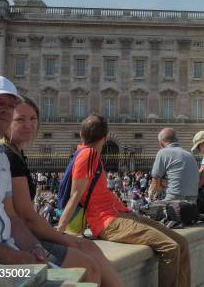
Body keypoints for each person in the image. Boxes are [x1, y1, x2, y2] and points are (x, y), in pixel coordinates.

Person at [0, 96, 123, 286]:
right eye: (20, 119)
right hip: (17, 240)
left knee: (88, 248)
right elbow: (26, 217)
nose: (28, 125)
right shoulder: (10, 156)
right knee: (88, 266)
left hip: (21, 235)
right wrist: (63, 237)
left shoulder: (14, 153)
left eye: (33, 119)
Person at [57, 114, 190, 287]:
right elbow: (76, 195)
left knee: (182, 242)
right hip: (107, 221)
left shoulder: (89, 154)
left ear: (82, 135)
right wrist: (59, 230)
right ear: (105, 138)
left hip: (120, 214)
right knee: (170, 247)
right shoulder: (88, 154)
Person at [0, 76, 56, 266]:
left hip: (4, 257)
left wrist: (35, 247)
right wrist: (13, 257)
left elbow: (11, 217)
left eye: (11, 105)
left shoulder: (0, 155)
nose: (5, 109)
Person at [150, 128, 199, 202]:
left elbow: (155, 178)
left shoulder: (163, 152)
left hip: (174, 198)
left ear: (161, 142)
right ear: (177, 139)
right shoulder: (189, 154)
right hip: (193, 199)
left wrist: (152, 195)